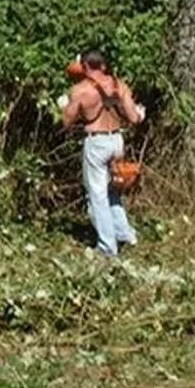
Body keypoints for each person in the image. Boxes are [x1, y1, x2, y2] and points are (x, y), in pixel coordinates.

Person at [61, 50, 145, 258]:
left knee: (97, 195)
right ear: (104, 66)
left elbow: (66, 121)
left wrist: (65, 106)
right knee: (112, 191)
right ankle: (125, 235)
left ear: (85, 67)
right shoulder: (120, 85)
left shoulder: (80, 90)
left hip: (96, 142)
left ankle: (107, 247)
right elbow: (134, 117)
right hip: (117, 141)